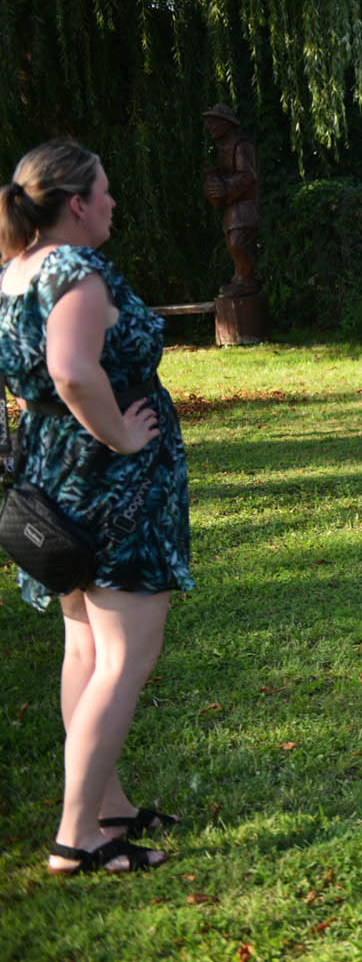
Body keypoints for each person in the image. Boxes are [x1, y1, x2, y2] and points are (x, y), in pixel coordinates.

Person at [0, 140, 193, 874]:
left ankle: (104, 805)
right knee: (124, 658)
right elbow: (74, 371)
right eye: (105, 191)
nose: (114, 202)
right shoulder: (76, 271)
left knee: (84, 647)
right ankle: (76, 837)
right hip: (114, 488)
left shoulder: (14, 273)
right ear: (76, 203)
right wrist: (122, 435)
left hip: (55, 477)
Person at [201, 103, 261, 297]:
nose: (209, 128)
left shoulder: (242, 145)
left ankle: (246, 280)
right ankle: (240, 278)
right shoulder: (223, 149)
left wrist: (224, 187)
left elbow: (248, 176)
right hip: (232, 208)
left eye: (213, 123)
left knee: (238, 244)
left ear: (226, 124)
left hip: (244, 207)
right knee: (231, 244)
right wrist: (211, 187)